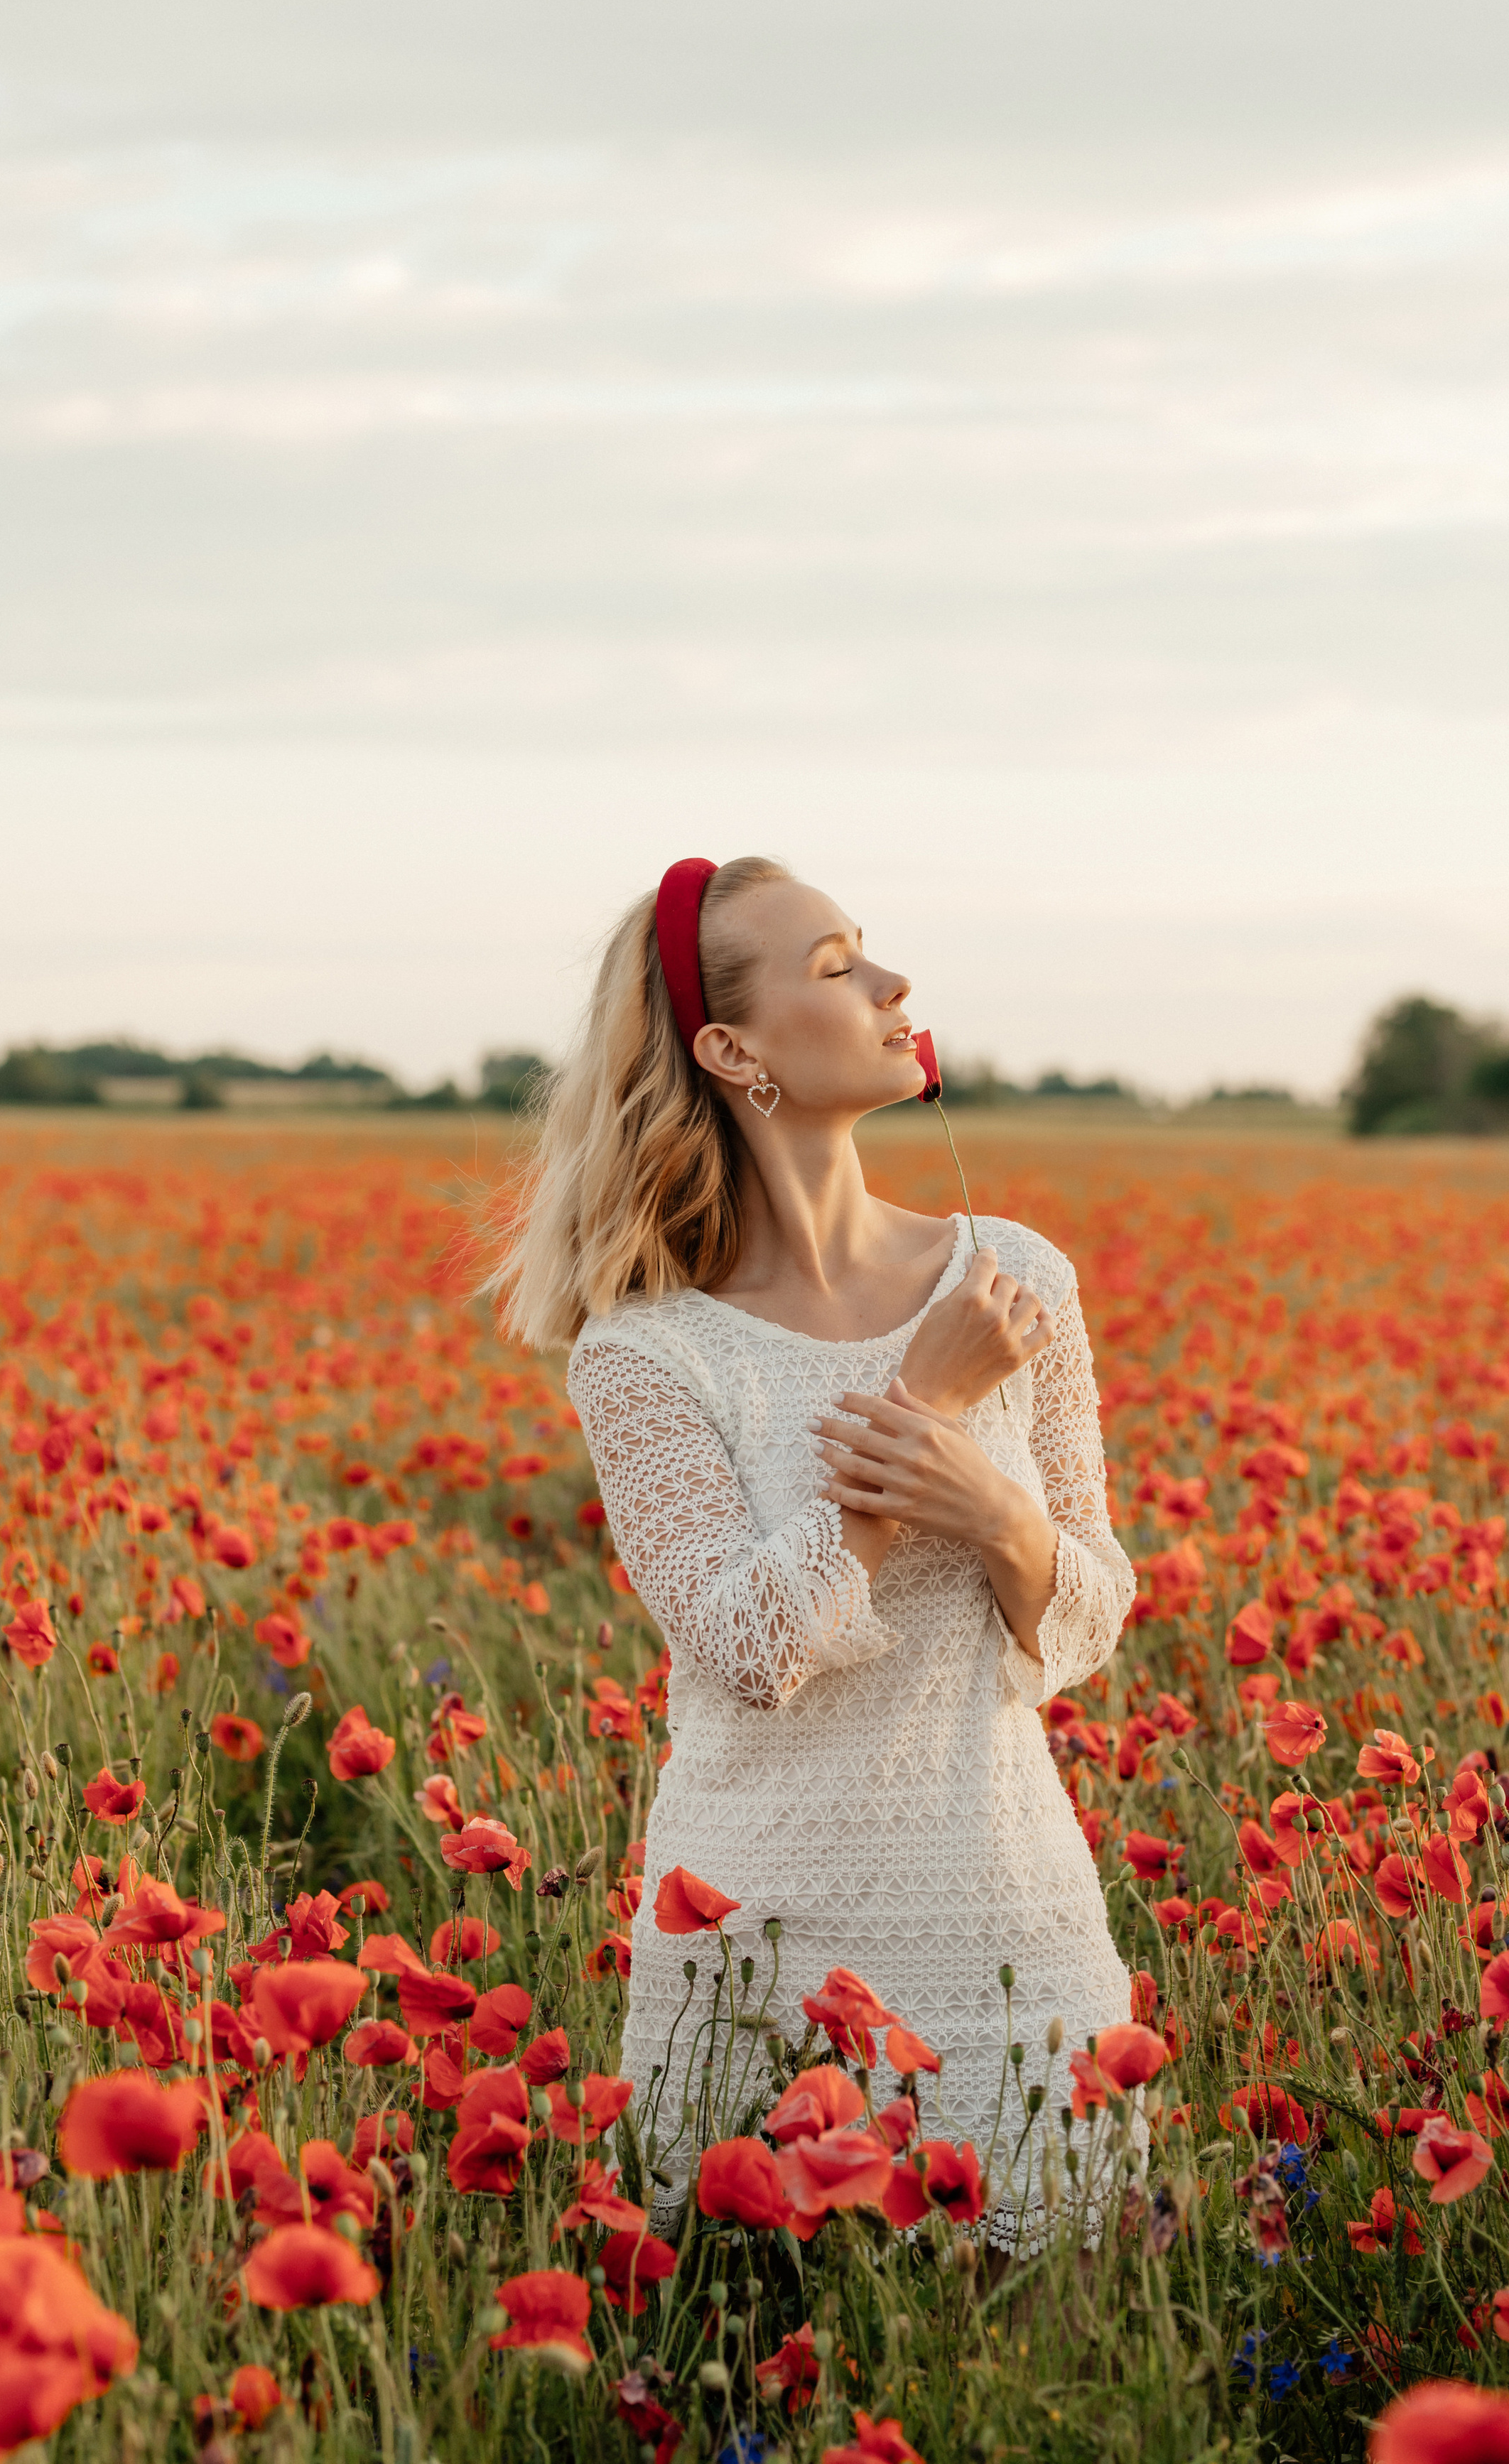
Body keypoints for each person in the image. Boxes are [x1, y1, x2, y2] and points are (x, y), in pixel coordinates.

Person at [490, 853, 1137, 2247]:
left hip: (1010, 1927)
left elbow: (1085, 1620)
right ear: (732, 1050)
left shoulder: (1015, 1274)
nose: (894, 985)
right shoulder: (648, 1348)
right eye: (838, 966)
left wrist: (1002, 1515)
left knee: (1065, 2360)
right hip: (756, 1952)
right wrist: (925, 1404)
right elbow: (745, 1650)